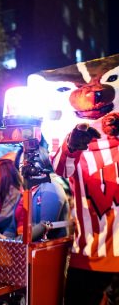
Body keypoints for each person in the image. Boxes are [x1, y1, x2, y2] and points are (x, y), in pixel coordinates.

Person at [52, 121, 119, 305]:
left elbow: (59, 167)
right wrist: (72, 145)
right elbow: (60, 167)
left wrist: (71, 146)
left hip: (88, 255)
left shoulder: (80, 152)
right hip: (88, 258)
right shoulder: (80, 150)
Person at [2, 144, 70, 241]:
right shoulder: (25, 190)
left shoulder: (51, 187)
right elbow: (12, 226)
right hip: (21, 246)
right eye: (20, 164)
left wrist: (16, 241)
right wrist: (6, 240)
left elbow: (44, 225)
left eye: (26, 164)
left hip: (44, 250)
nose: (22, 169)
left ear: (41, 162)